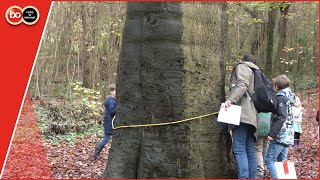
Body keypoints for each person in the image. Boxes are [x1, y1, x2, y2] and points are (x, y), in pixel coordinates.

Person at [225, 54, 259, 178]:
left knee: (239, 148)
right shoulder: (256, 72)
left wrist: (231, 100)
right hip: (253, 116)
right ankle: (252, 177)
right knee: (249, 148)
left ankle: (244, 177)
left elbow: (243, 84)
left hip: (242, 114)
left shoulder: (243, 67)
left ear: (242, 61)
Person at [264, 74, 296, 179]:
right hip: (289, 134)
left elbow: (281, 117)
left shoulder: (281, 98)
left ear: (276, 85)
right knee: (283, 160)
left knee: (269, 159)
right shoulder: (290, 96)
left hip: (280, 135)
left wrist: (272, 133)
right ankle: (286, 177)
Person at [93, 83, 116, 160]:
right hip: (109, 123)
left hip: (110, 122)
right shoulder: (110, 101)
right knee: (106, 138)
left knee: (108, 138)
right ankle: (96, 153)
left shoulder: (112, 100)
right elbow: (112, 111)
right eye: (115, 91)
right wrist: (119, 107)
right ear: (112, 91)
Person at [254, 112, 271, 178]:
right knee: (265, 147)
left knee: (257, 149)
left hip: (259, 125)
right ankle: (265, 167)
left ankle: (259, 171)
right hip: (268, 124)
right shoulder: (270, 101)